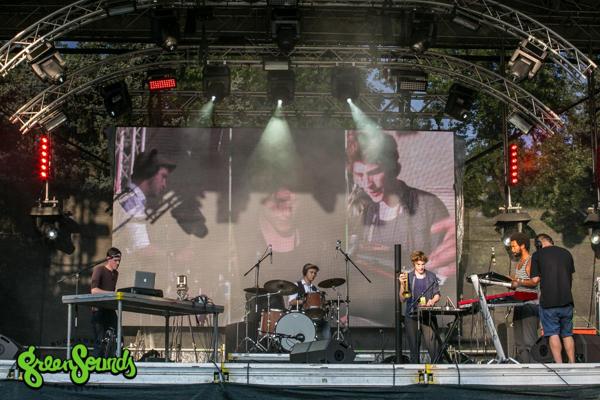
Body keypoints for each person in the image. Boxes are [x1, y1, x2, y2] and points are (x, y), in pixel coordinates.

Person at [346, 131, 455, 282]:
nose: (367, 183)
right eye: (359, 175)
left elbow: (443, 269)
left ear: (392, 168)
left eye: (374, 172)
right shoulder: (367, 211)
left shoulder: (429, 205)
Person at [113, 149, 176, 253]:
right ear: (149, 173)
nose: (164, 184)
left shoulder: (128, 198)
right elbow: (142, 250)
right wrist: (172, 257)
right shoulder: (133, 204)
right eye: (163, 177)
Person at [530, 233, 576, 363]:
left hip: (549, 303)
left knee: (553, 333)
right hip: (567, 301)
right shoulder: (566, 253)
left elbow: (534, 280)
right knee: (567, 334)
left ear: (538, 244)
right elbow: (570, 276)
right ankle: (573, 364)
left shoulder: (537, 255)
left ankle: (559, 366)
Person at [399, 251, 441, 363]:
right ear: (414, 264)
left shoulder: (431, 276)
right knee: (414, 349)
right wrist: (402, 285)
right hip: (412, 316)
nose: (421, 267)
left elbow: (437, 294)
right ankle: (415, 371)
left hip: (428, 315)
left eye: (423, 264)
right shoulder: (408, 276)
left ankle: (437, 370)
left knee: (433, 347)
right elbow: (402, 299)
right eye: (418, 264)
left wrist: (432, 301)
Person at [509, 232, 539, 363]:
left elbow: (534, 282)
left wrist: (518, 281)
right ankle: (524, 368)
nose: (512, 249)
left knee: (529, 341)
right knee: (520, 343)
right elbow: (518, 284)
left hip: (530, 304)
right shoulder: (519, 263)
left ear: (522, 246)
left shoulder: (531, 261)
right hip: (519, 304)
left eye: (514, 246)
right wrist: (509, 283)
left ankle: (534, 369)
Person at [90, 247, 122, 357]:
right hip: (99, 310)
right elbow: (94, 290)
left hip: (109, 309)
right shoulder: (99, 270)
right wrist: (112, 294)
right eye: (115, 260)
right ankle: (96, 364)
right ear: (108, 259)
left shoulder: (115, 274)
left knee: (118, 336)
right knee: (100, 341)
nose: (118, 263)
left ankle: (113, 360)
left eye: (119, 261)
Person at [288, 263, 331, 340]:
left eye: (315, 273)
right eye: (311, 272)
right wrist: (304, 301)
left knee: (325, 324)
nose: (313, 275)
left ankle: (324, 345)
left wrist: (323, 303)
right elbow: (291, 302)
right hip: (299, 315)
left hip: (311, 316)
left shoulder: (315, 289)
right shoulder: (296, 285)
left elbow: (318, 305)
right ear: (305, 272)